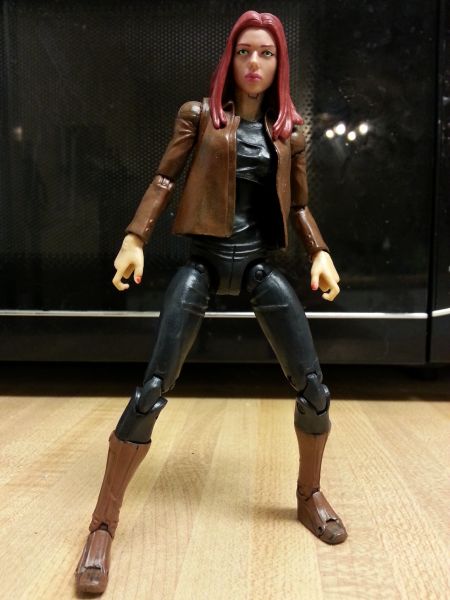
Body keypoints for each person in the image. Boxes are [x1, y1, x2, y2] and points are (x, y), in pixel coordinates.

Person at [75, 10, 347, 595]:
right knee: (153, 388)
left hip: (257, 267)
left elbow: (299, 205)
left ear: (279, 64)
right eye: (245, 51)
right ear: (231, 58)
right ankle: (102, 524)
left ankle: (309, 494)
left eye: (266, 53)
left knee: (314, 387)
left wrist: (319, 252)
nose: (254, 63)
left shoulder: (289, 133)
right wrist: (134, 238)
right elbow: (165, 179)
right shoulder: (199, 116)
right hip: (201, 264)